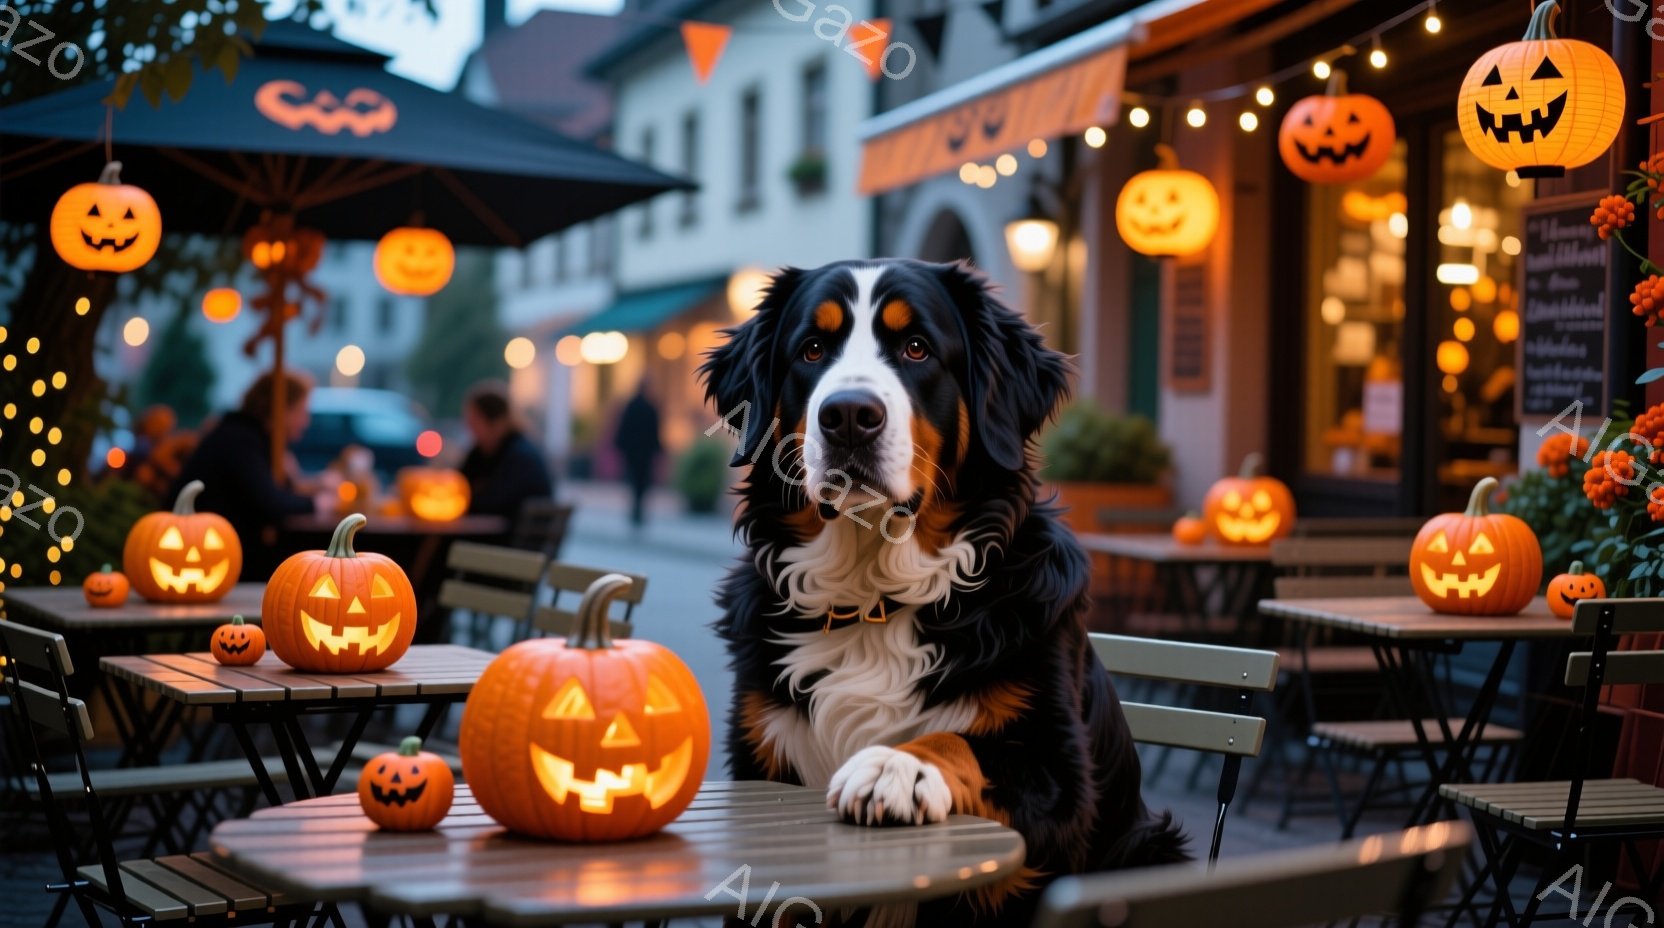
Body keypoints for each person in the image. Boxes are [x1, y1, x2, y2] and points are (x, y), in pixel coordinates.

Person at [174, 370, 334, 577]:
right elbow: (270, 503)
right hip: (207, 556)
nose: (306, 421)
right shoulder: (242, 440)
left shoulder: (249, 437)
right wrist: (318, 503)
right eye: (302, 412)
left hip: (226, 552)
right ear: (280, 410)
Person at [460, 381, 553, 520]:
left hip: (505, 537)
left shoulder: (520, 457)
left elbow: (490, 504)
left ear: (496, 422)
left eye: (474, 423)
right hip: (494, 531)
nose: (469, 429)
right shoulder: (481, 453)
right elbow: (460, 486)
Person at [613, 382, 662, 530]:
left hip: (634, 451)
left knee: (636, 481)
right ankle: (637, 510)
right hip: (642, 451)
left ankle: (636, 510)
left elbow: (624, 427)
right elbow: (654, 431)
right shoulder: (649, 407)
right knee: (641, 482)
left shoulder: (634, 406)